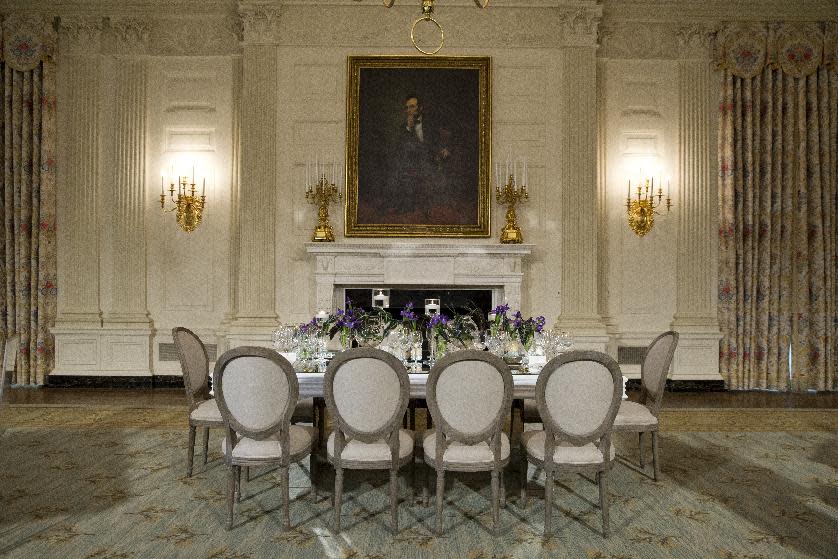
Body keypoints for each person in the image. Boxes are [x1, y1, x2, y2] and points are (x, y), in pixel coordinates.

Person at [386, 94, 452, 221]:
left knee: (408, 167)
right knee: (399, 164)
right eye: (407, 107)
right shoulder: (403, 127)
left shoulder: (431, 123)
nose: (409, 110)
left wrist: (444, 148)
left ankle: (415, 205)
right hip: (412, 161)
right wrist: (409, 128)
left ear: (420, 108)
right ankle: (400, 204)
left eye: (412, 106)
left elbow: (441, 139)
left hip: (430, 159)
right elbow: (401, 148)